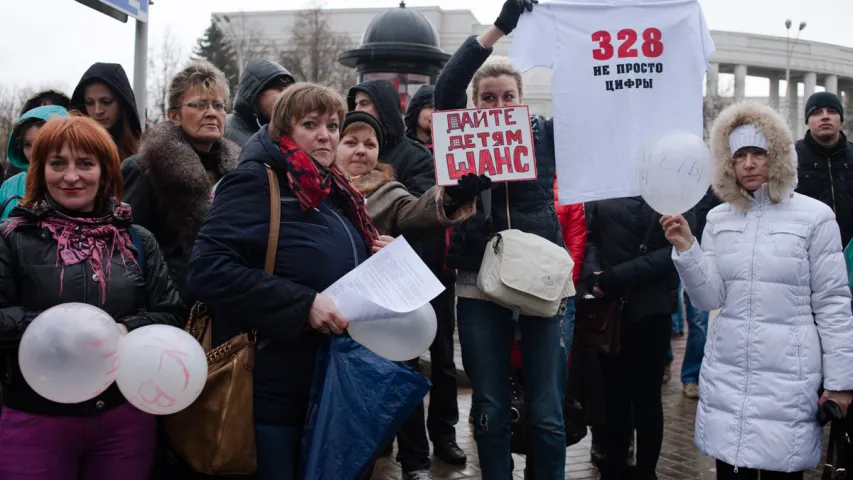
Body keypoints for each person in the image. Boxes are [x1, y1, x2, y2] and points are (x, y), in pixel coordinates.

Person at [186, 83, 394, 480]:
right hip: (271, 387)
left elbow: (325, 263)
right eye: (311, 124)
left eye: (333, 125)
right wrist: (303, 304)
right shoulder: (254, 182)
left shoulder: (333, 189)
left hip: (327, 381)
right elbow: (207, 270)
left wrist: (374, 257)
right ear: (284, 130)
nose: (325, 135)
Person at [663, 101, 853, 479]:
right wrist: (687, 249)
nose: (748, 163)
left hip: (789, 379)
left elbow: (833, 304)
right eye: (739, 156)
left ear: (778, 156)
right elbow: (709, 298)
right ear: (728, 164)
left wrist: (840, 384)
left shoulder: (815, 217)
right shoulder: (718, 219)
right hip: (729, 378)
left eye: (758, 153)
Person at [0, 115, 183, 479]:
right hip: (34, 418)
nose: (71, 176)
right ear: (40, 170)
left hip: (123, 420)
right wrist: (60, 329)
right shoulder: (12, 238)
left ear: (106, 171)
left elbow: (171, 315)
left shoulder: (137, 241)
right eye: (57, 164)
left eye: (85, 163)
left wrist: (122, 328)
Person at [433, 1, 571, 476]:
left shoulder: (546, 136)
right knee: (489, 407)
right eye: (487, 98)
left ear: (522, 99)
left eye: (507, 97)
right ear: (474, 105)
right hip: (477, 283)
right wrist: (500, 27)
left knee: (548, 412)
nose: (498, 106)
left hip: (541, 283)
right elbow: (447, 84)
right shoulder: (462, 139)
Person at [337, 111, 486, 479]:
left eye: (369, 144)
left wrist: (451, 196)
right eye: (351, 142)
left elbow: (418, 210)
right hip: (335, 314)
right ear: (334, 145)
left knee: (401, 384)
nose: (361, 151)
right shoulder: (318, 188)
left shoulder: (389, 190)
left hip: (381, 315)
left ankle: (416, 462)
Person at [582, 191, 691, 479]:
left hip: (651, 309)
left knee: (646, 398)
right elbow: (592, 237)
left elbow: (674, 251)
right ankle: (614, 466)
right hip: (611, 310)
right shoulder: (604, 183)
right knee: (613, 397)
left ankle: (646, 471)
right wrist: (593, 274)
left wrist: (616, 276)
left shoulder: (669, 187)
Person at [122, 60, 240, 301]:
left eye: (218, 105)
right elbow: (128, 251)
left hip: (228, 300)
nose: (211, 112)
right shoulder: (144, 168)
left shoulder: (238, 169)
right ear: (174, 115)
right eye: (199, 105)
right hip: (169, 306)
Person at [348, 80, 435, 196]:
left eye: (364, 103)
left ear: (383, 107)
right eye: (355, 104)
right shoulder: (340, 148)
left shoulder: (418, 158)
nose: (357, 109)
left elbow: (419, 208)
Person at [795, 91, 853, 247]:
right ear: (807, 120)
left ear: (840, 118)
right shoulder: (791, 158)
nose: (825, 116)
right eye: (817, 112)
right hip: (807, 248)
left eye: (832, 111)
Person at [1, 106, 69, 218]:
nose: (34, 152)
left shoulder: (75, 181)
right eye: (27, 145)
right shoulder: (9, 185)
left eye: (41, 143)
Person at [70, 63, 142, 160]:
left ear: (122, 103)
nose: (97, 110)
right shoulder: (70, 147)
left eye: (106, 102)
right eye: (89, 102)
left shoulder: (144, 155)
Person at [225, 59, 294, 147]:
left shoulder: (287, 133)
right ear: (255, 91)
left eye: (289, 93)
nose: (286, 98)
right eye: (279, 90)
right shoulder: (224, 128)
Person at [404, 85, 435, 151]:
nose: (435, 112)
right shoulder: (403, 148)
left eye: (439, 108)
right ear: (416, 111)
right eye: (430, 107)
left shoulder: (448, 149)